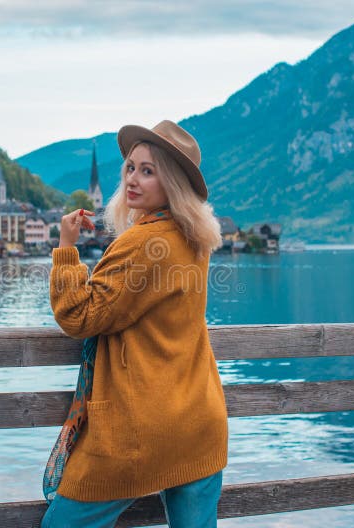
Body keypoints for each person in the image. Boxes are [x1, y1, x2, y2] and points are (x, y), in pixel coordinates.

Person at [43, 120, 228, 528]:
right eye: (130, 167)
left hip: (139, 432)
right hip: (199, 422)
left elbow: (80, 315)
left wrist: (66, 248)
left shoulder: (143, 243)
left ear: (173, 183)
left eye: (148, 171)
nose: (133, 179)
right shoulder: (195, 239)